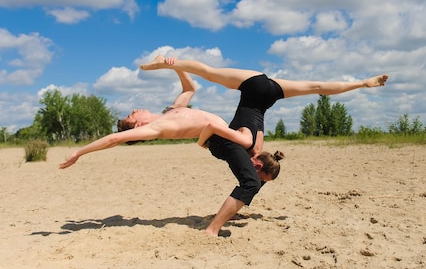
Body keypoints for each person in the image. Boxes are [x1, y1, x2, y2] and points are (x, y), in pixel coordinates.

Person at [140, 54, 388, 236]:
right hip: (257, 87)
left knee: (208, 70)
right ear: (257, 163)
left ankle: (363, 83)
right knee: (208, 71)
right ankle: (164, 63)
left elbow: (254, 165)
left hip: (267, 87)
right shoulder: (253, 146)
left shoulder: (258, 142)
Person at [58, 67, 268, 169]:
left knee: (259, 152)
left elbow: (189, 89)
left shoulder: (170, 112)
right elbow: (113, 139)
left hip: (227, 132)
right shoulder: (155, 128)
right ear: (138, 125)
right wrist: (80, 151)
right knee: (256, 152)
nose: (133, 109)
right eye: (131, 115)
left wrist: (175, 66)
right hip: (223, 141)